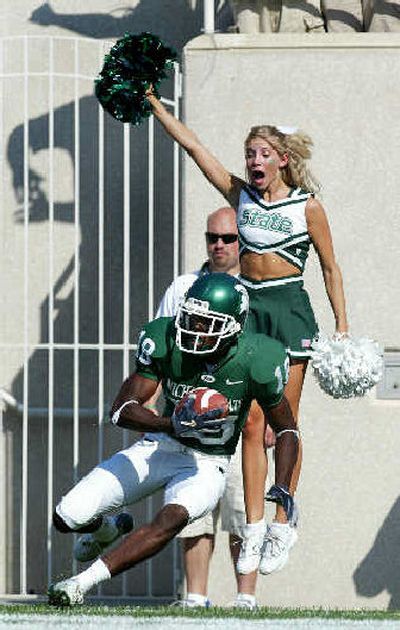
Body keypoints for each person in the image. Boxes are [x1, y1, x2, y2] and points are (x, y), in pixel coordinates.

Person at [144, 90, 348, 575]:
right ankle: (253, 528)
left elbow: (330, 267)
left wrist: (341, 325)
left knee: (285, 421)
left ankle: (283, 519)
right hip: (250, 308)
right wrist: (156, 106)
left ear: (282, 159)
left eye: (262, 154)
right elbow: (195, 149)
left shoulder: (307, 207)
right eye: (249, 154)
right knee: (251, 423)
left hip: (290, 308)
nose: (254, 161)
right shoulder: (240, 195)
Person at [47, 272, 299, 607]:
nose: (194, 329)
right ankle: (105, 529)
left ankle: (80, 584)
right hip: (160, 445)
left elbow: (287, 429)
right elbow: (121, 409)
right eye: (192, 318)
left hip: (207, 464)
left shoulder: (257, 358)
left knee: (171, 519)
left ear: (234, 326)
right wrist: (171, 425)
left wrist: (282, 486)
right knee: (67, 516)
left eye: (207, 322)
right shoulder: (164, 338)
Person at [154, 206, 264, 610]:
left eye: (228, 238)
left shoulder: (257, 290)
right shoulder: (184, 286)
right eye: (211, 238)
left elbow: (269, 360)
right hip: (189, 417)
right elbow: (158, 349)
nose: (218, 245)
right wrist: (153, 415)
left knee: (240, 508)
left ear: (243, 242)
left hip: (241, 420)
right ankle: (195, 597)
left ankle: (245, 599)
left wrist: (269, 418)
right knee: (193, 511)